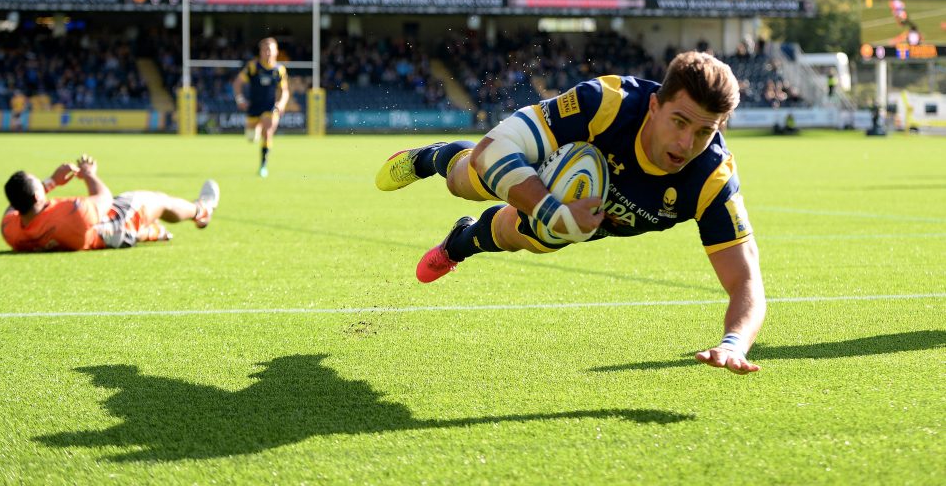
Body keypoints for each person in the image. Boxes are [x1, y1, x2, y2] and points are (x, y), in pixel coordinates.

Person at [375, 51, 765, 375]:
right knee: (467, 179)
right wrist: (553, 210)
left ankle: (460, 243)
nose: (686, 143)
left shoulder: (712, 177)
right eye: (679, 122)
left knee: (530, 236)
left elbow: (747, 282)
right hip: (549, 159)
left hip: (587, 216)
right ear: (654, 105)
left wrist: (734, 342)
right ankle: (428, 158)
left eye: (704, 132)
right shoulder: (608, 103)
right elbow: (491, 151)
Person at [1, 154, 219, 252]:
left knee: (118, 227)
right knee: (158, 201)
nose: (43, 184)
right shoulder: (70, 213)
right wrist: (88, 174)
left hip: (97, 237)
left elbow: (13, 207)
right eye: (39, 185)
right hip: (112, 225)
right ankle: (202, 211)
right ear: (37, 197)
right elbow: (104, 199)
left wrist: (50, 183)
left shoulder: (11, 231)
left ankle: (151, 232)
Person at [232, 37, 289, 178]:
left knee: (268, 132)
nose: (268, 52)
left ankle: (263, 166)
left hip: (270, 107)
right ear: (261, 52)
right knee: (251, 137)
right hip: (254, 107)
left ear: (276, 51)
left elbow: (285, 90)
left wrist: (281, 103)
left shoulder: (279, 70)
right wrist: (240, 99)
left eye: (270, 49)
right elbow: (237, 83)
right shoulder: (253, 67)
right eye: (265, 50)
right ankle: (255, 130)